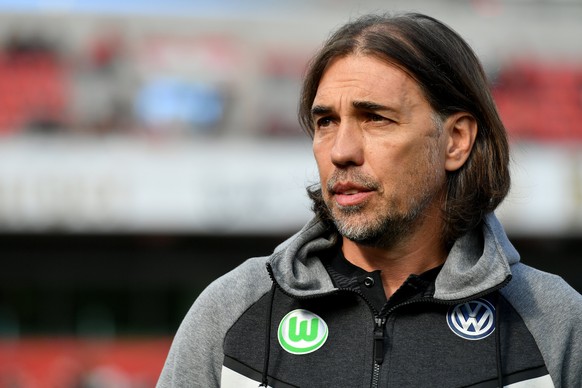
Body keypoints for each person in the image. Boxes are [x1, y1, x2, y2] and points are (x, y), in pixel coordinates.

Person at [157, 12, 582, 388]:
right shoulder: (233, 310)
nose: (341, 151)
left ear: (455, 140)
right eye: (326, 121)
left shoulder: (555, 322)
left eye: (375, 118)